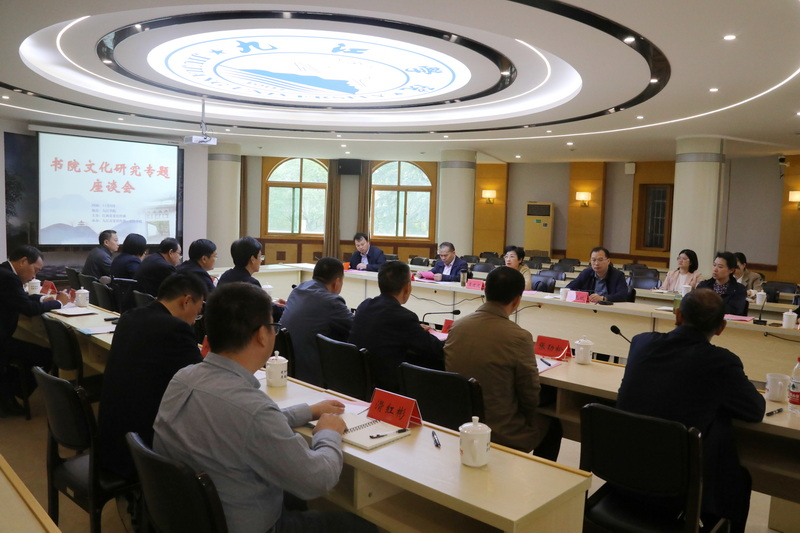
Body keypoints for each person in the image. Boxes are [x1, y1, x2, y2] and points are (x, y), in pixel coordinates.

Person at [153, 283, 377, 533]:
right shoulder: (253, 410)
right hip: (249, 526)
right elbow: (318, 480)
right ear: (262, 334)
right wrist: (328, 432)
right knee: (361, 527)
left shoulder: (182, 379)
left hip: (187, 520)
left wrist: (308, 411)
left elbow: (243, 422)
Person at [617, 288, 764, 533]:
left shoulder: (641, 342)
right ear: (721, 328)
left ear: (678, 315)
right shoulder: (721, 362)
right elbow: (755, 410)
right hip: (675, 488)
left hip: (621, 472)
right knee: (735, 472)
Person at [444, 266, 561, 460]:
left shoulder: (457, 327)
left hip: (459, 422)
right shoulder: (519, 337)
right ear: (517, 300)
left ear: (484, 291)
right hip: (501, 430)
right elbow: (530, 394)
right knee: (553, 424)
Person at [98, 272, 206, 480]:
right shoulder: (175, 329)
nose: (195, 320)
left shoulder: (130, 316)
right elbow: (201, 378)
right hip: (142, 449)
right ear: (186, 301)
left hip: (111, 437)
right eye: (198, 312)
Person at [349, 261, 444, 392]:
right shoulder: (404, 317)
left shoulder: (365, 305)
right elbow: (435, 349)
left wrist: (415, 329)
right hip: (387, 387)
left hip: (358, 380)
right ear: (407, 287)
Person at [0, 246, 70, 415]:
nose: (34, 276)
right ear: (23, 261)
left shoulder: (4, 271)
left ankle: (9, 391)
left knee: (30, 354)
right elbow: (29, 309)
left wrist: (43, 298)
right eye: (35, 270)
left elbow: (19, 298)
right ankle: (9, 393)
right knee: (47, 356)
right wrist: (59, 303)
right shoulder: (9, 278)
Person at [279, 258, 354, 387]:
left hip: (286, 366)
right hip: (312, 374)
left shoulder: (299, 289)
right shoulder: (331, 301)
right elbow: (356, 328)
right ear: (337, 282)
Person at [218, 236, 286, 321]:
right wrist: (288, 308)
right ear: (252, 259)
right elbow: (269, 312)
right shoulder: (251, 283)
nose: (261, 260)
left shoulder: (226, 276)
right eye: (260, 256)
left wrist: (271, 304)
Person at [696, 252, 748, 316]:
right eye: (714, 265)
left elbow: (734, 310)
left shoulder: (739, 289)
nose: (715, 269)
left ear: (731, 270)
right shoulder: (703, 285)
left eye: (720, 267)